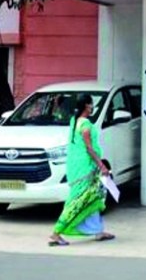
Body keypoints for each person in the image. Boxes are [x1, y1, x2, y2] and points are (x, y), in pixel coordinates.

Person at [48, 94, 115, 246]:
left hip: (77, 166)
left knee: (93, 197)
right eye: (91, 104)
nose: (93, 107)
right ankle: (56, 232)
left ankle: (98, 231)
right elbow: (89, 149)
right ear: (86, 105)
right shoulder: (85, 125)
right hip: (84, 168)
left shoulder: (74, 120)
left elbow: (65, 107)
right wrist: (102, 166)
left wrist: (60, 100)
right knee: (77, 201)